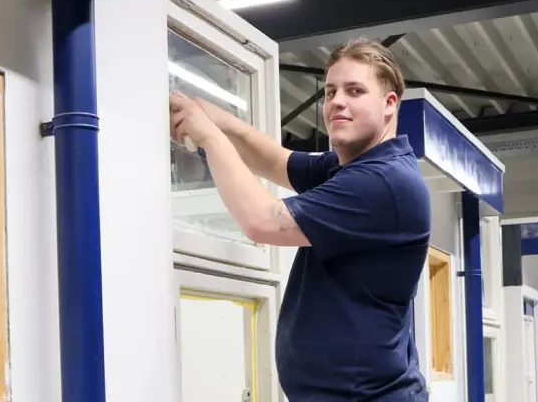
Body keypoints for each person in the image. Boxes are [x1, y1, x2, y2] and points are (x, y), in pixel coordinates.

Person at [169, 38, 431, 401]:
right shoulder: (351, 168)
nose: (337, 101)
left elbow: (264, 221)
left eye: (355, 91)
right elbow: (275, 161)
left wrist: (210, 137)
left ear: (389, 104)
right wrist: (208, 114)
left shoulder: (383, 182)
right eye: (332, 91)